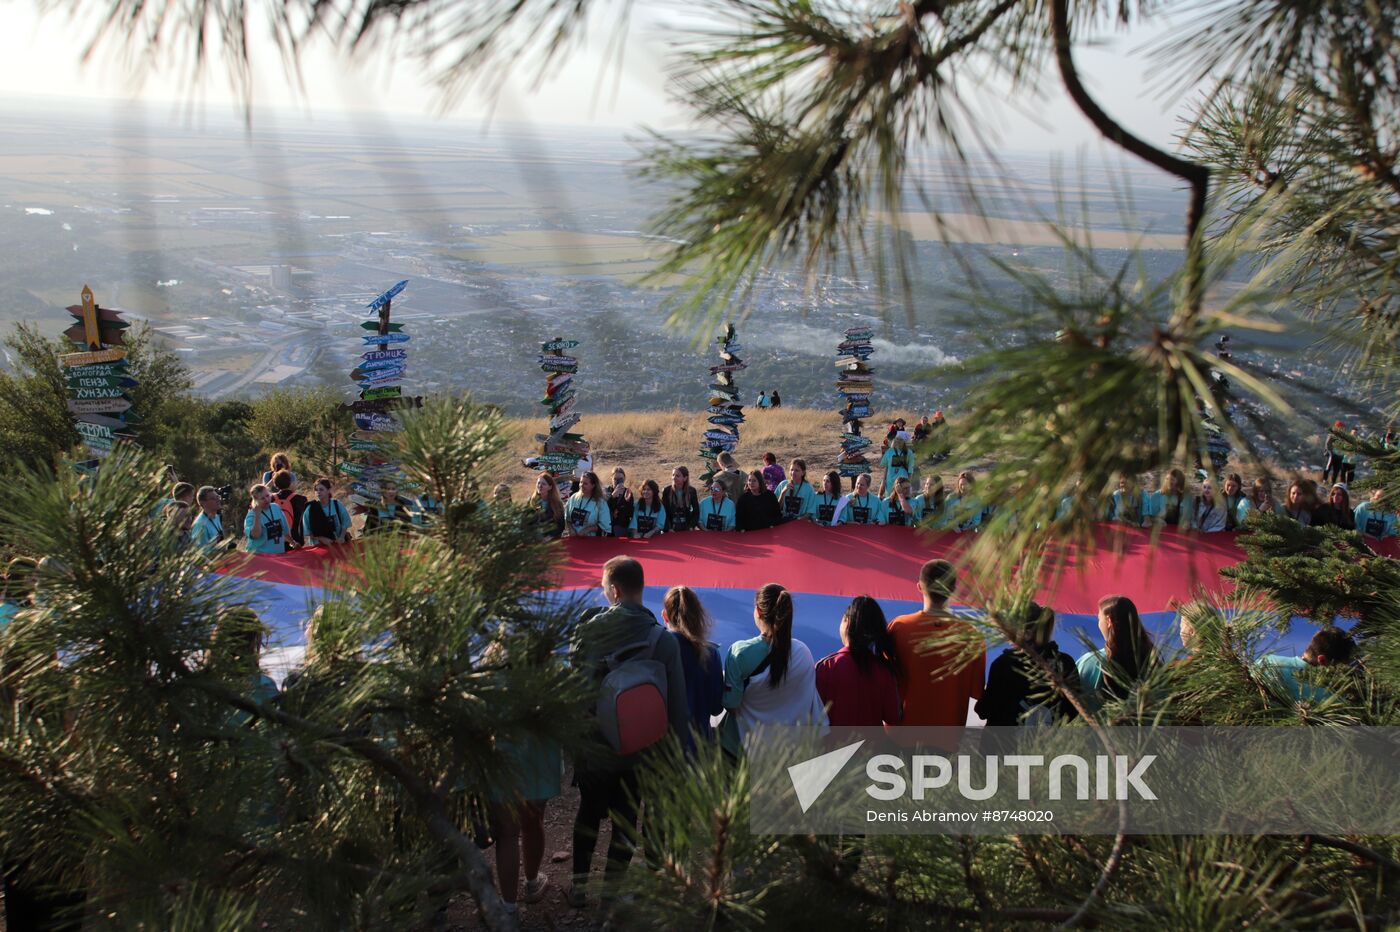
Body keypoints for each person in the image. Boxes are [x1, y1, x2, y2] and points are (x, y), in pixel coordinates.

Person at [568, 557, 691, 906]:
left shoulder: (588, 631)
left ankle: (578, 889)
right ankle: (610, 895)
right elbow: (677, 708)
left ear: (615, 590)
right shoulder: (662, 641)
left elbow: (575, 691)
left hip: (595, 746)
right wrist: (674, 759)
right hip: (642, 750)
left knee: (588, 814)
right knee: (626, 820)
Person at [720, 583, 828, 757]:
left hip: (743, 753)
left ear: (758, 611)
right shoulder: (804, 653)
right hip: (788, 754)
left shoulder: (739, 653)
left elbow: (731, 703)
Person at [888, 560, 985, 729]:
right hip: (948, 735)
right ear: (953, 590)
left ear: (919, 586)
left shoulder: (899, 627)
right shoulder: (971, 636)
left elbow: (885, 680)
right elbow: (977, 692)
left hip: (902, 731)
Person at [975, 602, 1080, 726]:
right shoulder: (1064, 662)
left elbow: (985, 710)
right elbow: (1074, 709)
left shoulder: (1004, 664)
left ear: (1027, 633)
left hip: (1004, 742)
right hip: (1048, 742)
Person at [815, 596, 902, 727]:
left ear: (847, 622)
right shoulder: (884, 671)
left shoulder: (826, 667)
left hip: (834, 747)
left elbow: (813, 718)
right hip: (872, 747)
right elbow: (893, 718)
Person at [662, 586, 723, 742]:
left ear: (665, 616)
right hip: (700, 748)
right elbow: (717, 708)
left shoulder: (658, 648)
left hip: (665, 747)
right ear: (698, 615)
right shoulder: (711, 653)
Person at [1076, 595, 1155, 706]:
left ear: (1108, 621)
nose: (1099, 623)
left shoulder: (1090, 662)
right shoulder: (1153, 658)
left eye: (1099, 619)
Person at [1257, 627, 1355, 703]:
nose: (1341, 675)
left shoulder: (1267, 661)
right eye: (1340, 668)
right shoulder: (1328, 698)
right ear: (1322, 660)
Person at [301, 477, 351, 546]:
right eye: (316, 490)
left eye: (321, 489)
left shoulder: (337, 504)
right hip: (319, 547)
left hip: (338, 545)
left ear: (328, 490)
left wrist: (342, 537)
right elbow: (307, 530)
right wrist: (321, 538)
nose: (318, 492)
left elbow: (346, 522)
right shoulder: (310, 508)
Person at [564, 471, 611, 537]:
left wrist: (588, 529)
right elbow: (566, 518)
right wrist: (570, 529)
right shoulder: (574, 497)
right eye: (581, 482)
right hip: (574, 539)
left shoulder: (600, 502)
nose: (581, 485)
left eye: (585, 483)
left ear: (593, 485)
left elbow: (605, 526)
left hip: (591, 542)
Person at [243, 485, 287, 555]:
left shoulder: (276, 507)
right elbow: (256, 535)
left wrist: (293, 543)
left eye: (267, 496)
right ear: (256, 499)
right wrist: (257, 516)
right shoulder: (251, 515)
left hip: (279, 555)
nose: (266, 499)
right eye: (262, 498)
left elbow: (285, 529)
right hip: (260, 557)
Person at [269, 469, 308, 549]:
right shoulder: (301, 499)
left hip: (275, 541)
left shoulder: (270, 499)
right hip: (295, 541)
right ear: (290, 482)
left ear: (275, 484)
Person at [189, 486, 227, 553]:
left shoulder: (217, 517)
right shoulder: (200, 525)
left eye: (218, 497)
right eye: (213, 498)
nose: (218, 500)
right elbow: (201, 553)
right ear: (203, 503)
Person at [662, 466, 700, 532]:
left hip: (687, 527)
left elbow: (696, 511)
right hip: (671, 528)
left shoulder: (692, 491)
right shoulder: (666, 490)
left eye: (677, 476)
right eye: (673, 475)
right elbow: (664, 511)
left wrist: (691, 526)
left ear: (685, 478)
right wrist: (669, 527)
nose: (674, 478)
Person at [529, 473, 566, 539]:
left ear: (550, 487)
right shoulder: (531, 501)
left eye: (543, 484)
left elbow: (561, 526)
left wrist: (549, 537)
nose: (540, 486)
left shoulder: (557, 504)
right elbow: (528, 523)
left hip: (552, 541)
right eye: (538, 483)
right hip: (535, 540)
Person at [879, 432, 916, 497]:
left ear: (904, 441)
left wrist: (908, 485)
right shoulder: (889, 451)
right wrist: (883, 481)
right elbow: (886, 467)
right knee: (890, 501)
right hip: (890, 482)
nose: (898, 441)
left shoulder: (909, 453)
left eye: (900, 439)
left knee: (901, 500)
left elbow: (910, 471)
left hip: (903, 482)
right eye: (897, 439)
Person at [604, 468, 634, 539]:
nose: (618, 481)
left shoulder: (627, 492)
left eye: (621, 479)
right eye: (615, 479)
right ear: (611, 478)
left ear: (624, 479)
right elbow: (602, 509)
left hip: (621, 527)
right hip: (607, 526)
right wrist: (612, 496)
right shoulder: (606, 491)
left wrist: (627, 502)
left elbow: (630, 514)